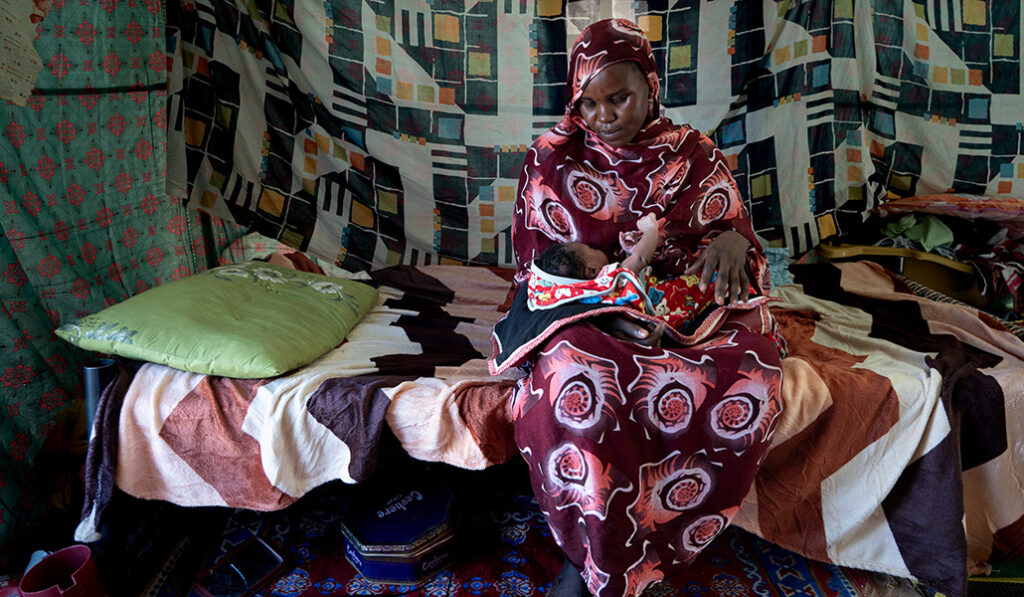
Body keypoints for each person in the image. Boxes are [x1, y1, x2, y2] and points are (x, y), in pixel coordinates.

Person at [490, 19, 785, 597]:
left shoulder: (693, 154)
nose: (605, 116)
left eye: (620, 97)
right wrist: (605, 287)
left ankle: (656, 552)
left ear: (651, 86)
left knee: (750, 372)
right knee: (572, 378)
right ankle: (597, 558)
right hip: (589, 315)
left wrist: (733, 241)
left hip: (689, 307)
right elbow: (541, 270)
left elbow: (733, 238)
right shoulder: (553, 158)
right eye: (589, 102)